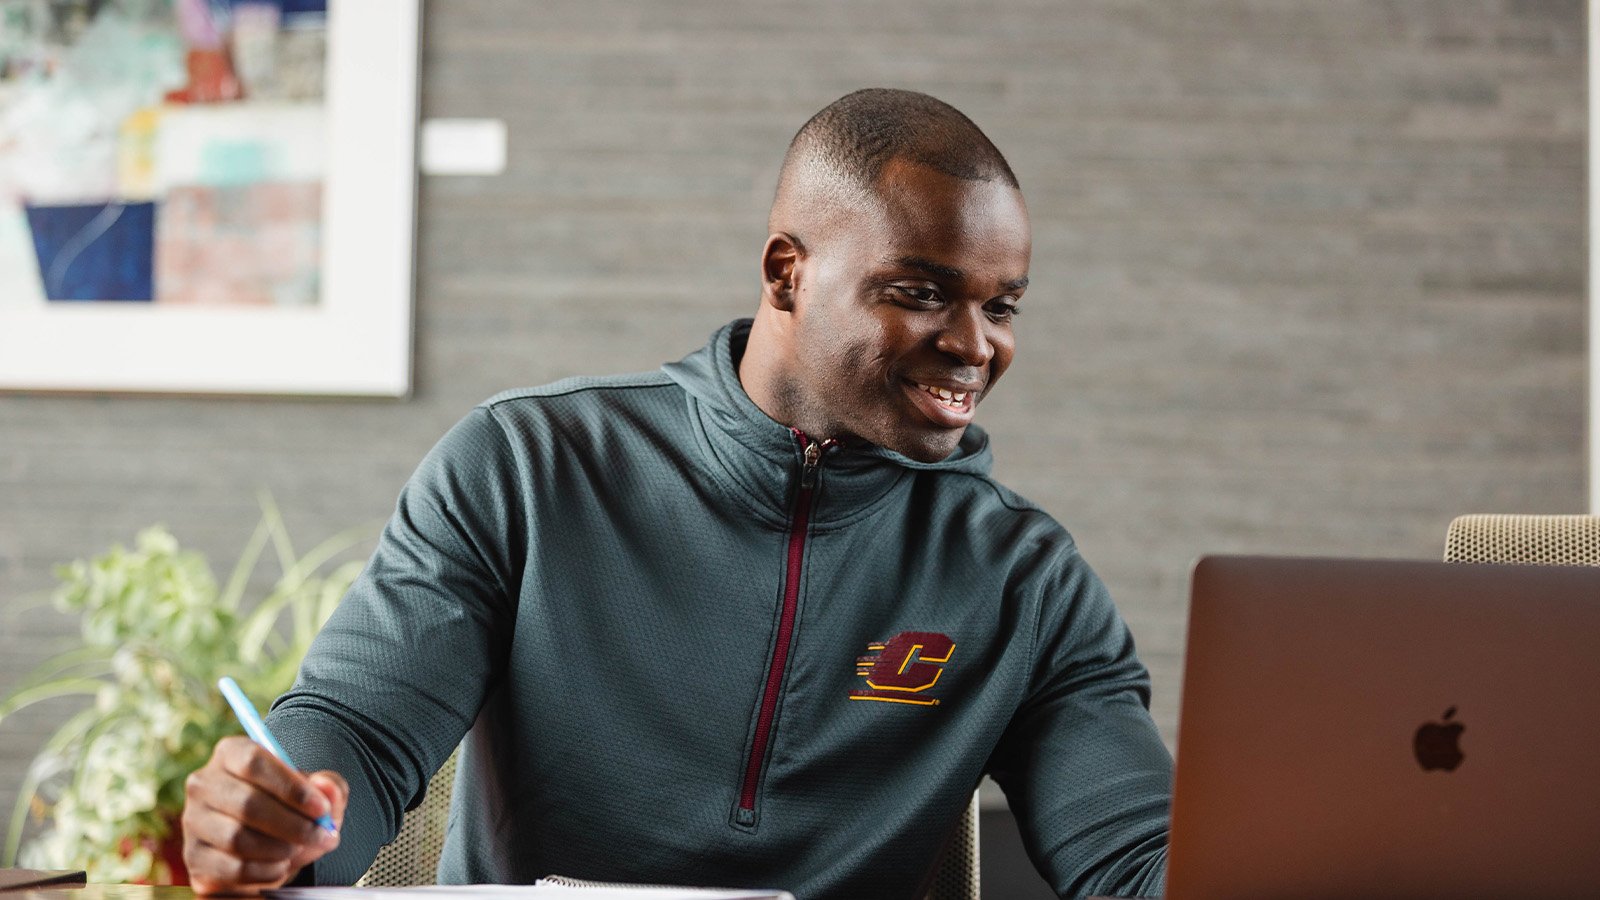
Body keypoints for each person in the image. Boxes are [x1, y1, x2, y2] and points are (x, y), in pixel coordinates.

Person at [180, 88, 1172, 899]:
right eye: (917, 292)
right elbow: (359, 724)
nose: (973, 344)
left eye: (1000, 305)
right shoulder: (527, 464)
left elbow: (1132, 855)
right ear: (787, 274)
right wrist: (279, 826)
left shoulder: (1023, 577)